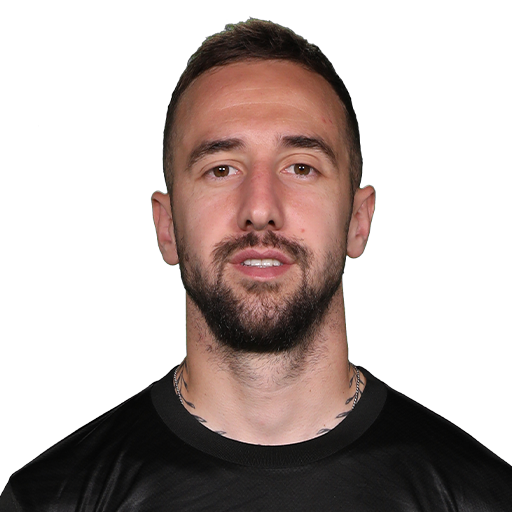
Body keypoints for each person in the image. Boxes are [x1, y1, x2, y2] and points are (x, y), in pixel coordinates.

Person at [1, 19, 511, 511]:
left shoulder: (481, 496)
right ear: (167, 227)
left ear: (358, 221)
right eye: (221, 168)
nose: (261, 207)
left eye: (301, 167)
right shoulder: (53, 499)